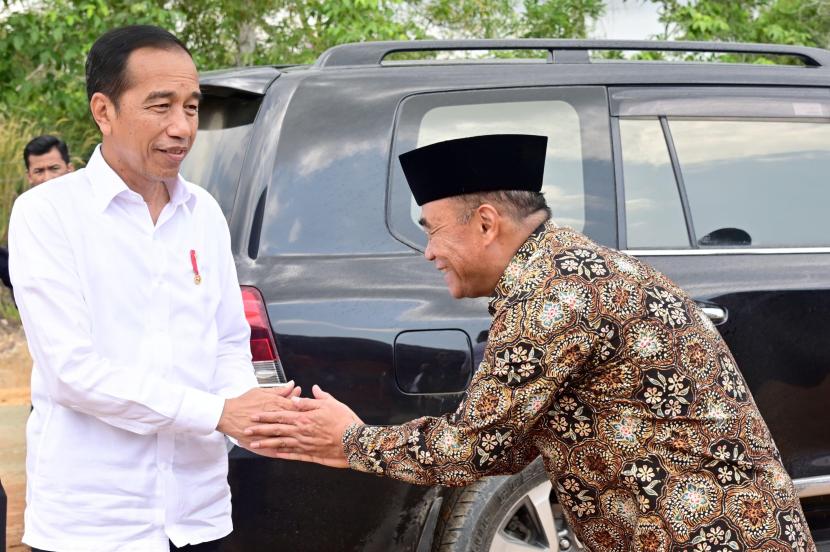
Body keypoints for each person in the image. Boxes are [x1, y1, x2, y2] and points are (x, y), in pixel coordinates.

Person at [246, 134, 816, 551]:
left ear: (487, 223)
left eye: (433, 230)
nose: (429, 252)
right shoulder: (569, 268)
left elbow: (474, 445)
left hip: (702, 536)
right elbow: (509, 446)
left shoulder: (554, 295)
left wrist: (351, 441)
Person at [8, 25, 299, 552]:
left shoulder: (203, 212)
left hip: (199, 512)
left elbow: (228, 341)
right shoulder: (47, 214)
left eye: (190, 107)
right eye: (160, 106)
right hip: (96, 521)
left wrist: (251, 412)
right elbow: (73, 371)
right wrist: (217, 413)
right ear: (104, 111)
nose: (182, 127)